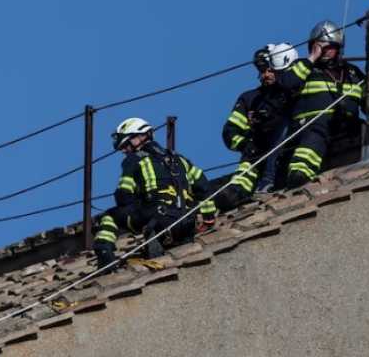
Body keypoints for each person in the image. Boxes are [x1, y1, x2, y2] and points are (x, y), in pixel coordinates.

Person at [92, 118, 218, 269]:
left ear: (141, 136)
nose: (124, 151)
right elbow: (203, 187)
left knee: (109, 217)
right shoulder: (179, 159)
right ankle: (166, 238)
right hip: (187, 224)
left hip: (158, 220)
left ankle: (106, 259)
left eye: (126, 145)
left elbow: (123, 196)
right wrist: (209, 219)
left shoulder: (133, 160)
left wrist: (140, 205)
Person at [280, 20, 365, 189]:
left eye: (329, 47)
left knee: (365, 129)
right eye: (319, 47)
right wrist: (312, 58)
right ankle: (300, 172)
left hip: (344, 127)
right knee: (317, 129)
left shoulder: (352, 73)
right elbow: (286, 83)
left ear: (338, 48)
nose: (324, 51)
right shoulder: (304, 67)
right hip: (308, 127)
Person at [215, 43, 299, 210]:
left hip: (286, 152)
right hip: (256, 154)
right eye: (262, 71)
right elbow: (229, 132)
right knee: (246, 168)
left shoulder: (292, 91)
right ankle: (236, 193)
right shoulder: (250, 99)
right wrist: (246, 145)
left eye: (269, 70)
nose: (265, 75)